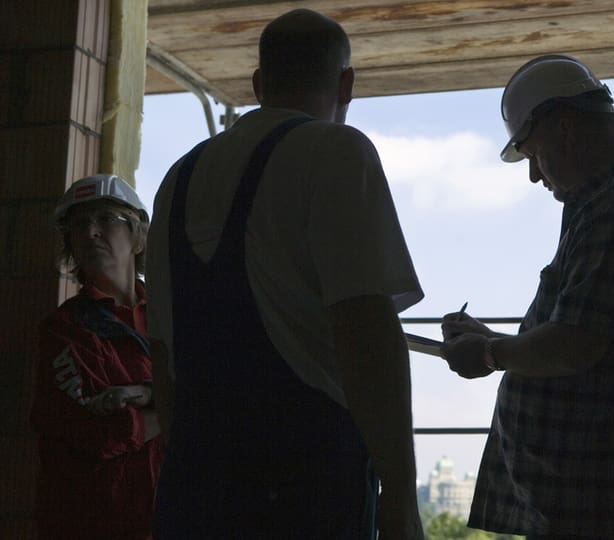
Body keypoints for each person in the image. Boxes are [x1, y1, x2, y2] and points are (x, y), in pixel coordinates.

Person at [146, 9, 424, 539]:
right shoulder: (337, 151)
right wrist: (401, 499)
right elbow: (367, 331)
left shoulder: (176, 179)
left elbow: (163, 353)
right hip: (307, 484)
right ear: (347, 84)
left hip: (196, 480)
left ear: (257, 84)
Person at [440, 55, 614, 539]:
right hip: (595, 497)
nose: (534, 177)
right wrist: (496, 341)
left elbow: (575, 345)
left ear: (564, 128)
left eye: (532, 153)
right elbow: (582, 338)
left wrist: (488, 352)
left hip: (601, 499)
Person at [30, 174, 161, 539]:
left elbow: (218, 394)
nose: (90, 232)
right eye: (79, 224)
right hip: (98, 521)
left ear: (138, 236)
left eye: (106, 219)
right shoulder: (65, 330)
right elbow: (98, 435)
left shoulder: (173, 317)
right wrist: (175, 406)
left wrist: (147, 397)